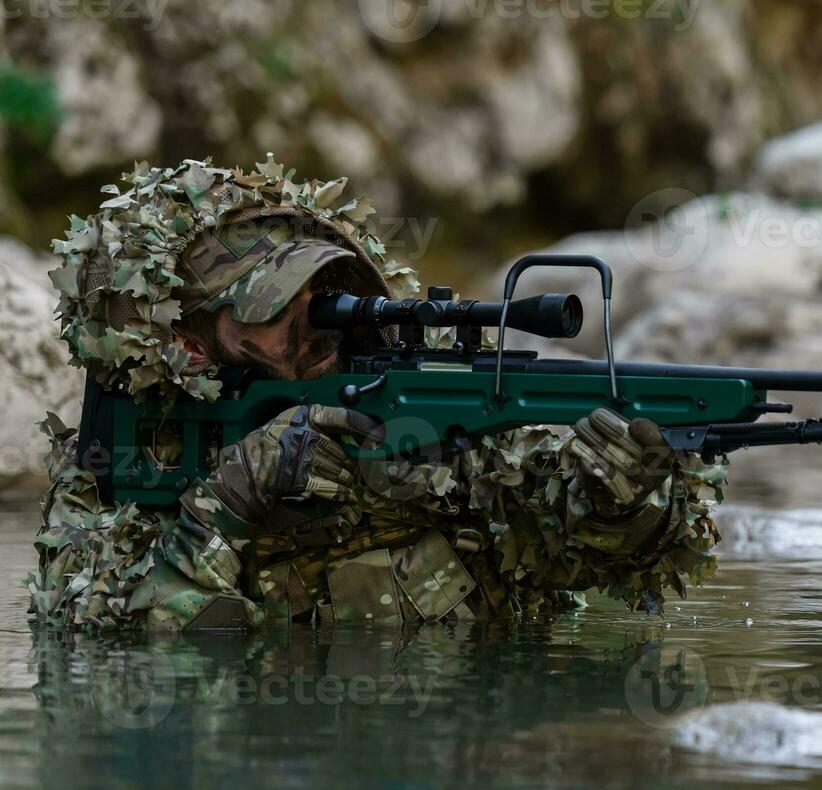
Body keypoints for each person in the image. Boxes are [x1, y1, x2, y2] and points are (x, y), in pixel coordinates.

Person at [28, 157, 725, 631]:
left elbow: (597, 561)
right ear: (186, 342)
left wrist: (621, 498)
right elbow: (120, 651)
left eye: (330, 292)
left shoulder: (427, 408)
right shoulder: (120, 474)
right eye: (277, 306)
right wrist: (234, 499)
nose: (318, 319)